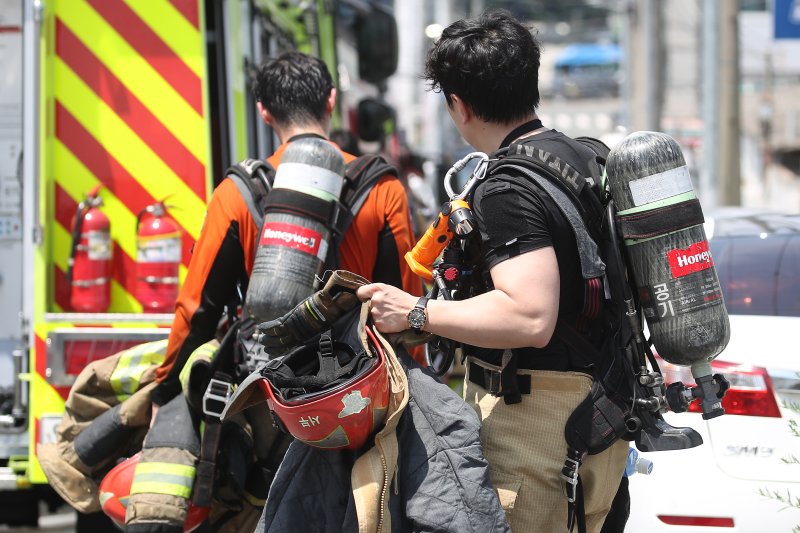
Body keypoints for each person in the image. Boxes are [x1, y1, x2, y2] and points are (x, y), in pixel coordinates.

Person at [126, 51, 422, 533]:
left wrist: (165, 387)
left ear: (264, 111)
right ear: (330, 100)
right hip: (356, 397)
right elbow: (403, 299)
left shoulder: (237, 192)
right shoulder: (382, 187)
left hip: (269, 394)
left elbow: (198, 306)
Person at [357, 10, 628, 533]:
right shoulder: (582, 157)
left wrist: (414, 310)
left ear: (458, 105)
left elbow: (528, 315)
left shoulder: (507, 188)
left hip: (539, 426)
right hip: (594, 410)